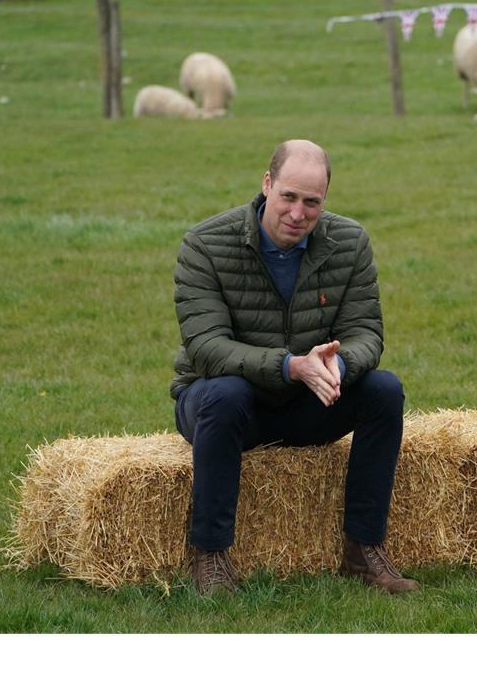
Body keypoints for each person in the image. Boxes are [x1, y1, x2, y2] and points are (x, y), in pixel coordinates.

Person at [170, 139, 418, 595]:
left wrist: (339, 365)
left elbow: (367, 332)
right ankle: (210, 558)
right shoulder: (204, 244)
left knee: (384, 390)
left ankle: (363, 551)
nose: (298, 213)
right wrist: (290, 366)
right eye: (288, 197)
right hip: (221, 407)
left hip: (307, 402)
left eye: (312, 202)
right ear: (267, 185)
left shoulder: (349, 242)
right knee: (226, 393)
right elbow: (206, 347)